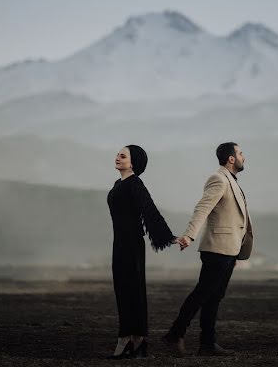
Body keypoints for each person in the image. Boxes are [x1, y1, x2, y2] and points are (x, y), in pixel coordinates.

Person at [162, 142, 253, 357]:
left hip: (230, 249)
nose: (243, 157)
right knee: (202, 293)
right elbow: (202, 208)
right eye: (240, 153)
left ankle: (208, 344)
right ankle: (174, 335)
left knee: (214, 297)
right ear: (231, 158)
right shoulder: (219, 179)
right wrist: (189, 235)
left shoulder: (232, 181)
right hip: (217, 249)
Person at [106, 144, 177, 359]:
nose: (117, 157)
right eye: (118, 154)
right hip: (120, 244)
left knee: (133, 291)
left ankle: (132, 339)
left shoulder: (135, 183)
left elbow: (150, 210)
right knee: (123, 290)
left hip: (132, 245)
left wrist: (170, 238)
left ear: (133, 162)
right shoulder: (119, 183)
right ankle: (132, 339)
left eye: (123, 155)